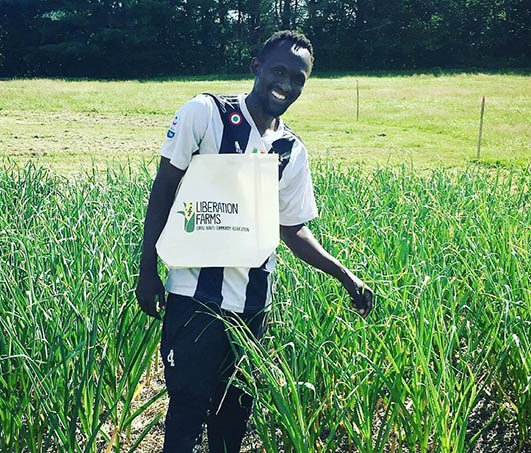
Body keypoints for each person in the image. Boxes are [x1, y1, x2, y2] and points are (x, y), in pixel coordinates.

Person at [136, 30, 373, 453]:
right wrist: (147, 270)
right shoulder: (205, 114)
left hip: (252, 309)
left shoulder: (291, 150)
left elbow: (293, 229)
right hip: (194, 300)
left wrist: (346, 276)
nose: (286, 84)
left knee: (232, 418)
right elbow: (164, 188)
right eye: (278, 71)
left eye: (298, 78)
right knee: (187, 412)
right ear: (256, 66)